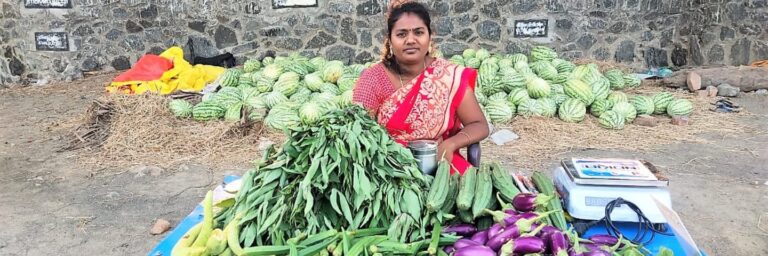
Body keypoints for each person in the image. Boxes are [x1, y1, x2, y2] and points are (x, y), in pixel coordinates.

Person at [352, 1, 489, 175]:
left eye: (419, 32)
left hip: (441, 166)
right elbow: (356, 133)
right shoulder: (373, 79)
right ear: (390, 40)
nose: (411, 40)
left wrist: (451, 144)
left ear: (430, 37)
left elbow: (479, 124)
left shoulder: (447, 76)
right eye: (401, 34)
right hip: (388, 171)